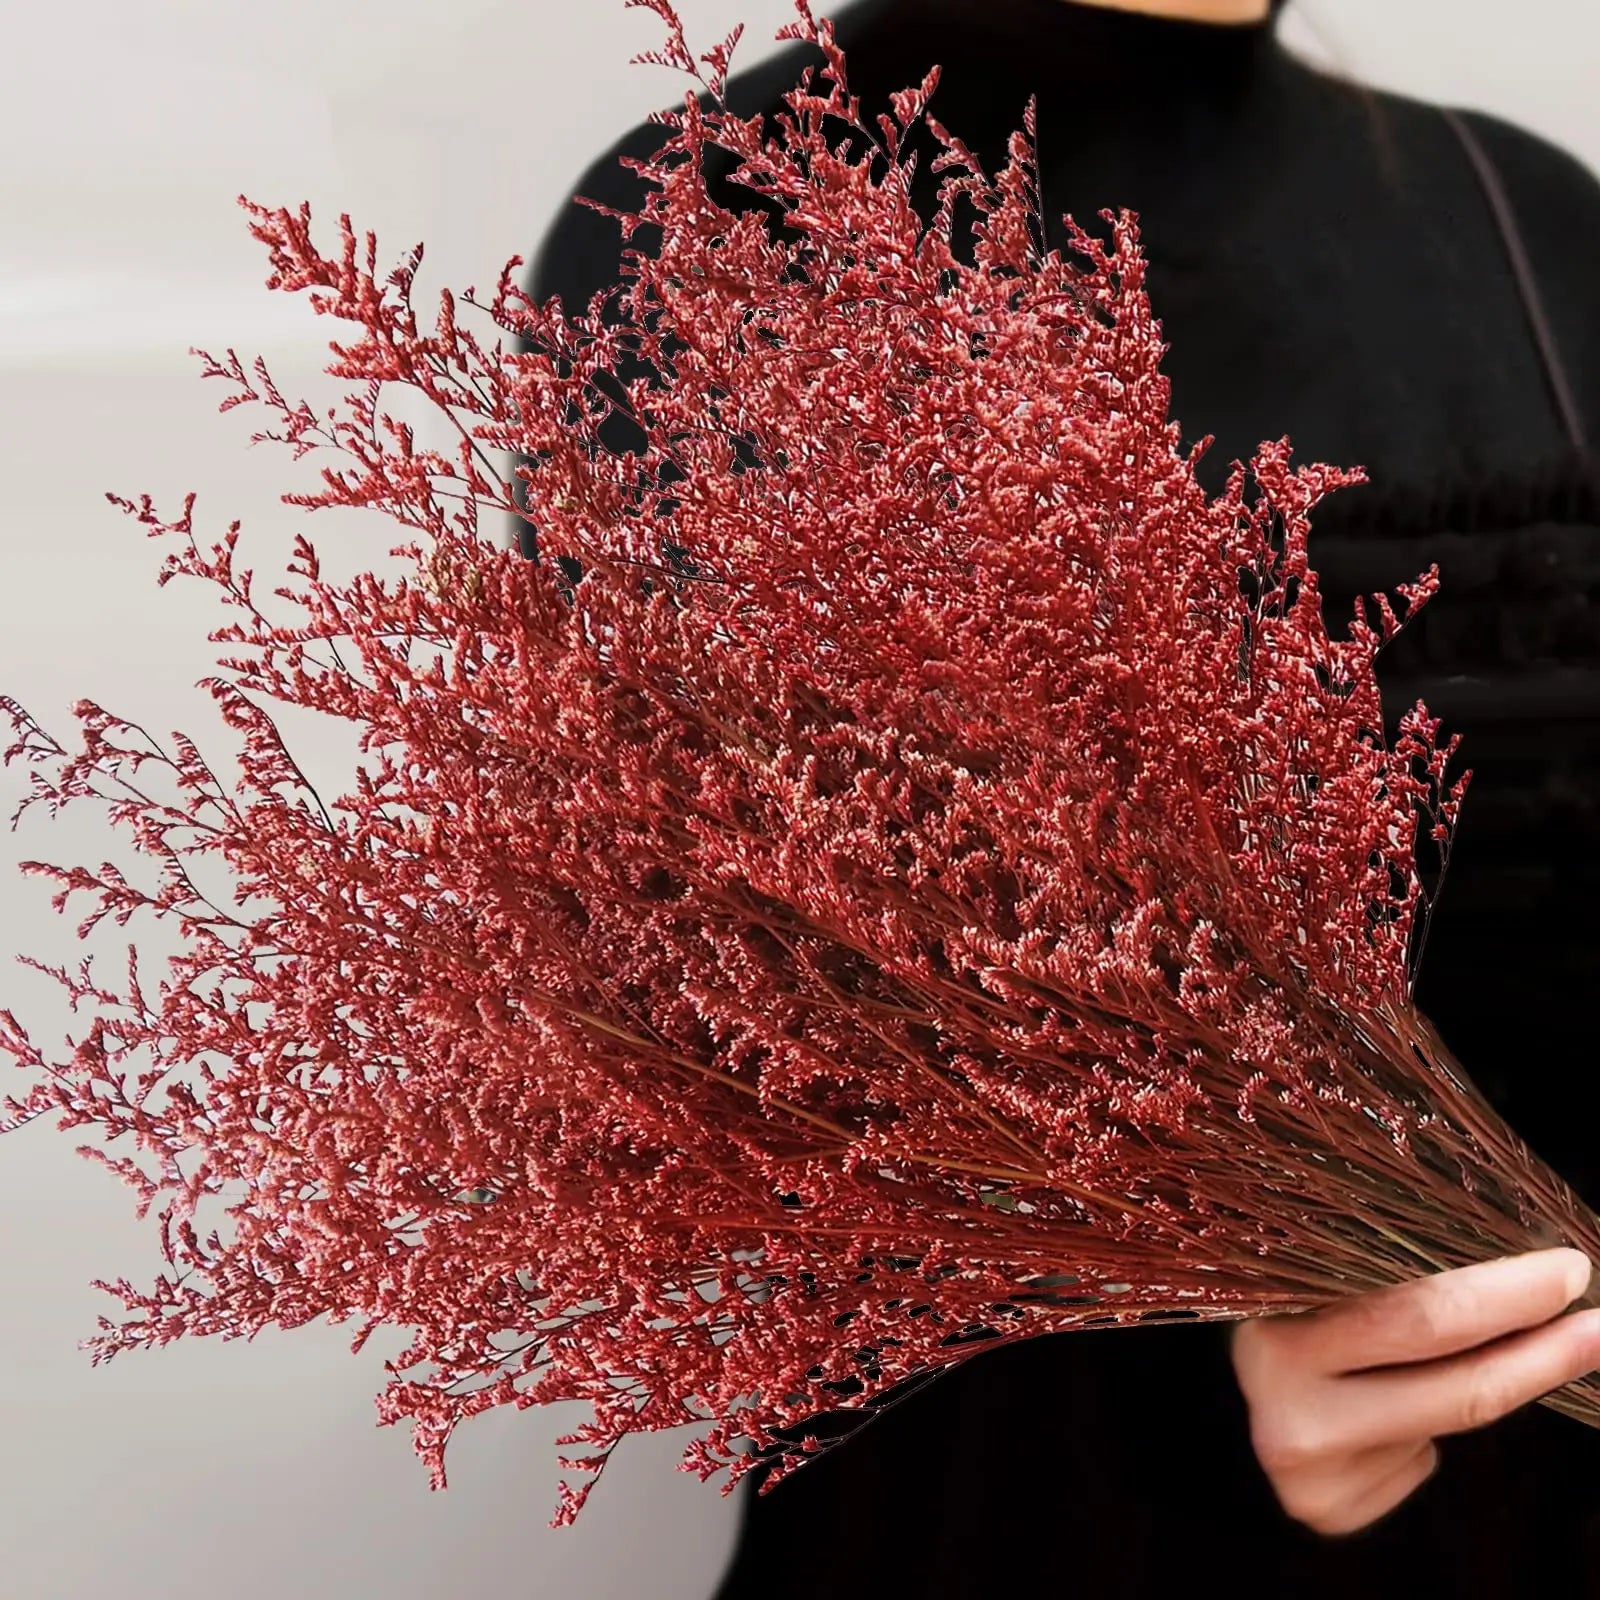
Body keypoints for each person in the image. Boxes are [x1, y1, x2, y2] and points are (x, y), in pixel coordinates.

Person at [512, 1, 1600, 1591]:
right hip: (1021, 1529)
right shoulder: (716, 220)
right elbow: (744, 1037)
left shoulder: (1530, 223)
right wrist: (1213, 1364)